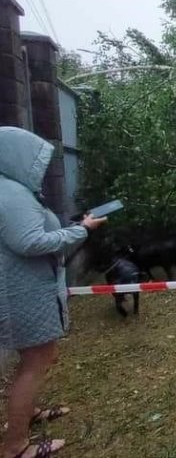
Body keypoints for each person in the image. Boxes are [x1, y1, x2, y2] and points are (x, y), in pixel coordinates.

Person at [0, 127, 106, 458]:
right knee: (37, 360)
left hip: (26, 289)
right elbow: (30, 242)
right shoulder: (10, 194)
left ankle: (26, 413)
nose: (41, 168)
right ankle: (15, 445)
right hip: (23, 293)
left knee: (35, 359)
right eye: (36, 160)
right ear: (16, 156)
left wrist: (74, 228)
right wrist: (82, 230)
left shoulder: (13, 190)